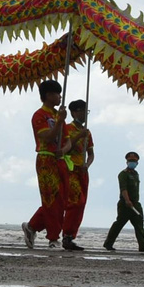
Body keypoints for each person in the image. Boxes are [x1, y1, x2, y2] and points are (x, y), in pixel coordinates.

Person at [21, 80, 66, 250]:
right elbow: (46, 137)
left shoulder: (57, 115)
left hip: (59, 160)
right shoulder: (40, 115)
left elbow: (66, 140)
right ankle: (54, 238)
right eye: (57, 93)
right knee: (51, 199)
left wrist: (65, 149)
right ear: (48, 95)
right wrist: (60, 122)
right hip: (46, 160)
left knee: (61, 200)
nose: (60, 97)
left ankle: (32, 226)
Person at [59, 98, 93, 250]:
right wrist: (79, 136)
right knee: (74, 202)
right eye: (81, 111)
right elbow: (65, 147)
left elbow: (91, 153)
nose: (84, 114)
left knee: (81, 204)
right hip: (70, 169)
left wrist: (87, 164)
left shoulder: (87, 132)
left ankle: (71, 236)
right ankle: (66, 235)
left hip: (82, 170)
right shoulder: (67, 129)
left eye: (86, 111)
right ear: (73, 113)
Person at [103, 151, 144, 251]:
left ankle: (143, 246)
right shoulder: (123, 174)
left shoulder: (136, 174)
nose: (132, 162)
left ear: (137, 162)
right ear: (126, 162)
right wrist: (127, 200)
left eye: (134, 161)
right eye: (130, 160)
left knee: (139, 225)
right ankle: (108, 244)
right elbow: (123, 188)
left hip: (136, 203)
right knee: (119, 224)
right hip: (126, 204)